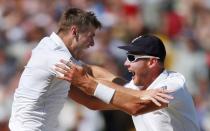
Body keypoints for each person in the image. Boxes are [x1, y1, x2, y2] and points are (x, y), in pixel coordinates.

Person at [9, 8, 173, 131]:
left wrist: (131, 89)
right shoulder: (56, 57)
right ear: (75, 31)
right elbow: (90, 83)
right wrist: (140, 94)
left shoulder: (50, 46)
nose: (93, 43)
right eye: (91, 35)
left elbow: (90, 73)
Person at [55, 34, 200, 131]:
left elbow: (136, 107)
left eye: (131, 58)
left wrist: (86, 82)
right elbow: (92, 102)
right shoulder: (136, 88)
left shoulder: (173, 84)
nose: (126, 64)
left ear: (151, 62)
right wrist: (62, 77)